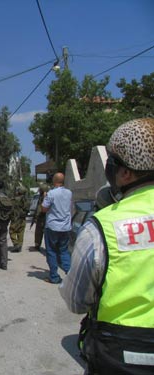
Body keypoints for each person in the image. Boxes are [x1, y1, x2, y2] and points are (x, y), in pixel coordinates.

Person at [60, 118, 154, 374]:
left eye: (112, 161)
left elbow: (76, 301)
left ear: (125, 173)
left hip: (121, 350)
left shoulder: (103, 226)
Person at [41, 172, 72, 284]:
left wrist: (45, 198)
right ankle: (71, 275)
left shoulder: (51, 193)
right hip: (66, 227)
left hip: (52, 227)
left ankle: (54, 276)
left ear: (54, 181)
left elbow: (44, 209)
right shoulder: (69, 193)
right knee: (64, 251)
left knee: (51, 251)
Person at [29, 183, 49, 252]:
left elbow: (42, 208)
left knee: (43, 232)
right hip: (41, 217)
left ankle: (47, 247)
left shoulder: (46, 196)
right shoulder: (41, 196)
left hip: (44, 217)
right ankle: (37, 245)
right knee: (38, 232)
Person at [9, 185, 29, 253]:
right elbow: (27, 209)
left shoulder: (14, 199)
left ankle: (16, 244)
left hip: (15, 219)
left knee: (12, 231)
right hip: (22, 219)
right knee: (21, 232)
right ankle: (19, 246)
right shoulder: (26, 200)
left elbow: (10, 209)